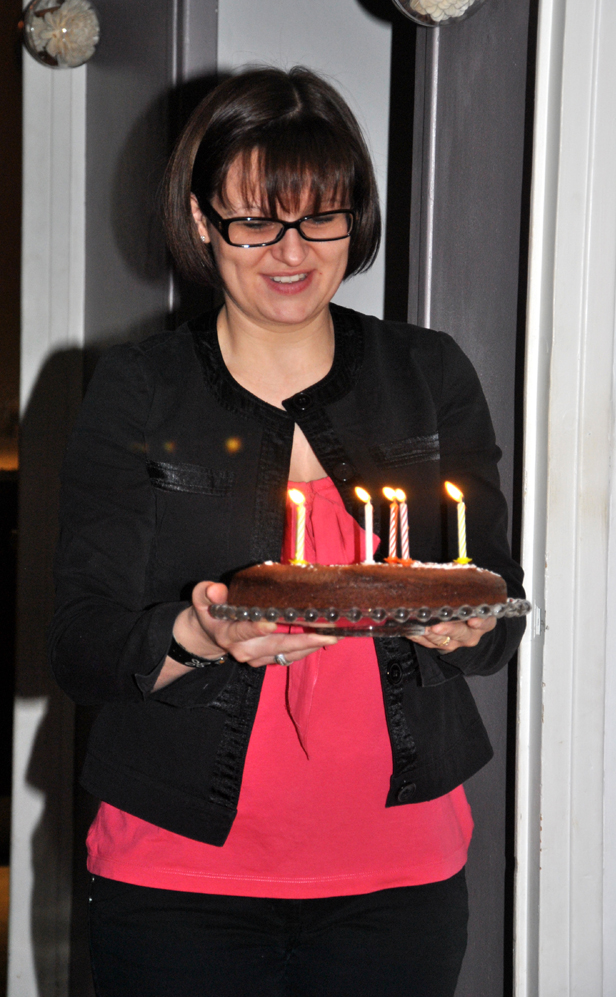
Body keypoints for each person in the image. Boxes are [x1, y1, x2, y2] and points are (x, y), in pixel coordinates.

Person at [49, 66, 525, 997]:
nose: (291, 251)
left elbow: (494, 597)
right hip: (176, 873)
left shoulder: (429, 373)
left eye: (320, 218)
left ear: (356, 218)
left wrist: (471, 625)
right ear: (201, 220)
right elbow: (79, 643)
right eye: (255, 221)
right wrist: (194, 635)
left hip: (399, 873)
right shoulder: (140, 387)